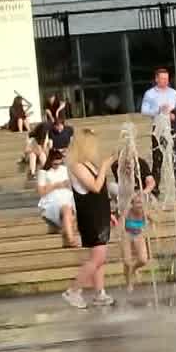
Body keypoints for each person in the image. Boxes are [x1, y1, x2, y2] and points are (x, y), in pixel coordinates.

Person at [62, 129, 116, 309]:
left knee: (100, 257)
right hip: (90, 217)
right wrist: (105, 167)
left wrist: (108, 213)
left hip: (99, 214)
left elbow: (101, 193)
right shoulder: (76, 166)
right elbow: (95, 187)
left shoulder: (89, 164)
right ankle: (73, 291)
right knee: (97, 258)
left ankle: (100, 293)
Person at [140, 67, 176, 199]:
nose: (165, 81)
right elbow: (144, 111)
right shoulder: (150, 94)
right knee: (158, 160)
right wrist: (158, 109)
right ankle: (155, 190)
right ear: (156, 79)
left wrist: (175, 114)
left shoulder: (173, 92)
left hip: (173, 127)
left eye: (166, 79)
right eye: (162, 79)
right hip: (158, 128)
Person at [110, 156, 155, 291]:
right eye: (137, 203)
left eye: (141, 203)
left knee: (143, 260)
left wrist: (153, 228)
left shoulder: (143, 211)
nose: (140, 205)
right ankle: (129, 282)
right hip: (127, 235)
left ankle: (134, 269)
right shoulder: (128, 210)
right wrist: (118, 232)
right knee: (127, 261)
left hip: (138, 235)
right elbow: (122, 221)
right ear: (132, 204)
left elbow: (153, 220)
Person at [37, 149, 79, 248]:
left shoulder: (64, 170)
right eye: (55, 164)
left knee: (69, 212)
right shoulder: (44, 172)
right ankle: (71, 240)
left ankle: (66, 239)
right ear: (50, 161)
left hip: (67, 197)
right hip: (51, 200)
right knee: (66, 210)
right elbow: (41, 192)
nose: (57, 166)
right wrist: (56, 185)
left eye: (59, 163)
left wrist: (69, 184)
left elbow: (73, 185)